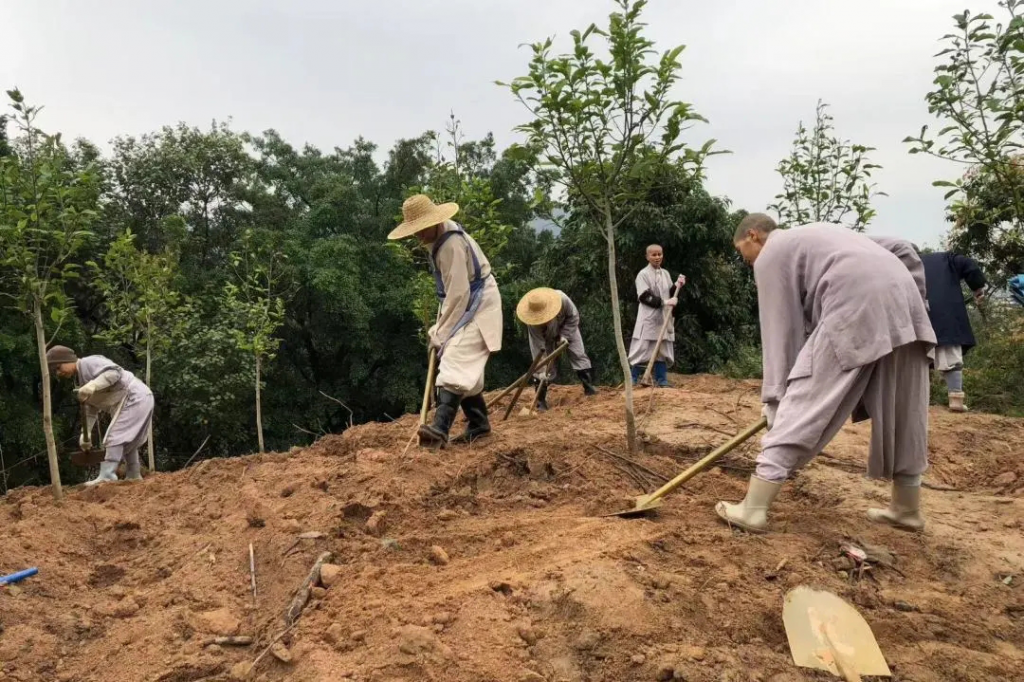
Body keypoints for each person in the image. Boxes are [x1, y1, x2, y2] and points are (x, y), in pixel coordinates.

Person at [718, 215, 936, 533]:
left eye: (742, 252)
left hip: (854, 301)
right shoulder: (821, 234)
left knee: (805, 400)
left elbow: (780, 333)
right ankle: (907, 509)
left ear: (753, 236)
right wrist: (915, 299)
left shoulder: (772, 252)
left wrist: (775, 399)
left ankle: (753, 510)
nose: (747, 261)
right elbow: (903, 248)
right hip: (907, 299)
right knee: (904, 410)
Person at [388, 194, 503, 447]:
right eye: (415, 231)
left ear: (434, 222)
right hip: (467, 301)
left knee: (456, 356)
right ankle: (479, 424)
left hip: (480, 303)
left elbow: (459, 294)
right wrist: (439, 328)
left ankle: (440, 428)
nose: (419, 236)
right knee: (462, 361)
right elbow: (451, 292)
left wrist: (441, 333)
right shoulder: (438, 238)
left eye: (422, 229)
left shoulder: (450, 245)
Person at [46, 345, 155, 486]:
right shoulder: (79, 379)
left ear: (68, 360)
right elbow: (91, 408)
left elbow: (115, 373)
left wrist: (93, 385)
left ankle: (107, 476)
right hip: (135, 399)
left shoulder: (89, 363)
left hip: (134, 396)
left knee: (115, 437)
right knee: (128, 440)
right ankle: (133, 474)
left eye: (58, 367)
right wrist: (85, 434)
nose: (59, 373)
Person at [921, 251, 987, 412]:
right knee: (949, 353)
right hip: (946, 313)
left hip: (915, 313)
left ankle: (919, 403)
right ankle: (956, 400)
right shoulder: (948, 258)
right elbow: (969, 265)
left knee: (917, 359)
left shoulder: (907, 261)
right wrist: (978, 288)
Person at [516, 287, 597, 411]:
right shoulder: (532, 323)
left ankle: (589, 388)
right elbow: (538, 348)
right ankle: (541, 401)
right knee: (542, 367)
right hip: (546, 336)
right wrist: (542, 371)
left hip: (567, 327)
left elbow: (574, 317)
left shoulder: (562, 299)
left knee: (578, 353)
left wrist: (565, 335)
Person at [628, 245, 686, 386]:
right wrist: (665, 302)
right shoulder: (643, 274)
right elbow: (644, 297)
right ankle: (633, 380)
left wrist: (677, 286)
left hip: (663, 318)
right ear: (647, 257)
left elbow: (669, 293)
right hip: (648, 318)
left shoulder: (665, 273)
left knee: (662, 349)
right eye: (654, 255)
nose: (657, 257)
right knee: (642, 348)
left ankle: (661, 380)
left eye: (659, 254)